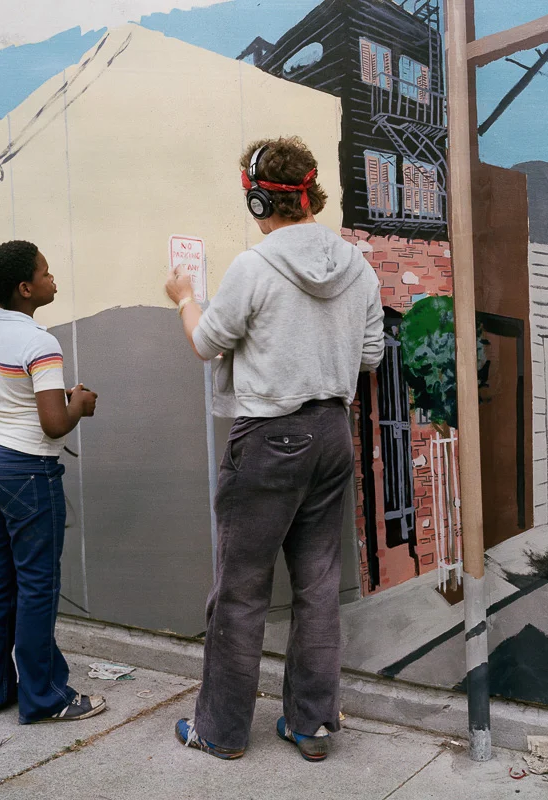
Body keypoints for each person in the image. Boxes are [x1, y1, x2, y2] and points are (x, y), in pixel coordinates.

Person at [165, 137, 385, 761]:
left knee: (240, 588)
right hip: (332, 434)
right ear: (311, 194)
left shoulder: (253, 267)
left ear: (260, 197)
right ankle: (310, 726)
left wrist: (184, 297)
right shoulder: (360, 267)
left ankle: (222, 732)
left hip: (268, 440)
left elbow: (207, 343)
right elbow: (369, 357)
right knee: (318, 585)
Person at [0, 240, 106, 724]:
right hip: (27, 471)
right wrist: (79, 403)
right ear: (26, 289)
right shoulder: (41, 342)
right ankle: (46, 698)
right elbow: (54, 425)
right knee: (37, 587)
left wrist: (25, 403)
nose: (52, 279)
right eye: (45, 274)